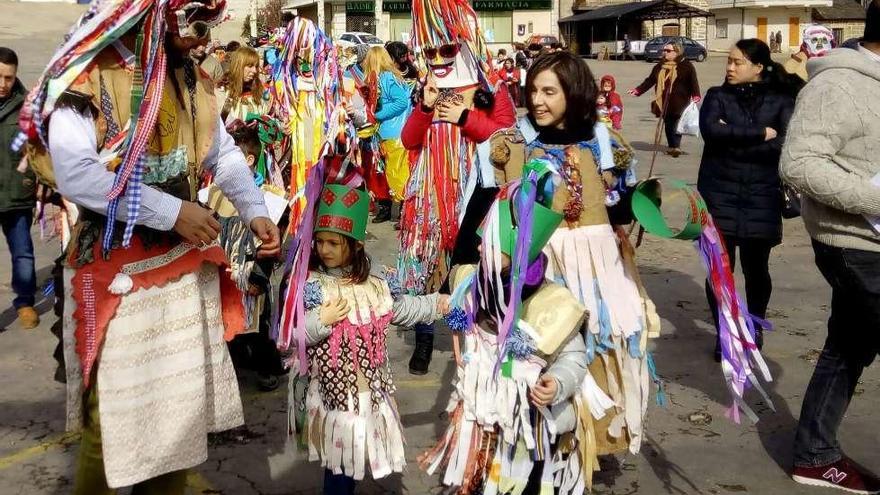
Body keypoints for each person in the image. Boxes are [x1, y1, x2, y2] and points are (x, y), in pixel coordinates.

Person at [18, 0, 281, 492]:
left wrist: (255, 209)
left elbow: (219, 151)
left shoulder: (187, 75)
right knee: (110, 423)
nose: (206, 34)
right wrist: (173, 212)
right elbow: (77, 174)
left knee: (177, 423)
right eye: (196, 19)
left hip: (180, 269)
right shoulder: (88, 74)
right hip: (115, 270)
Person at [488, 51, 659, 489]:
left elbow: (620, 209)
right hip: (544, 267)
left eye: (550, 91)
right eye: (533, 91)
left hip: (599, 267)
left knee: (601, 349)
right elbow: (499, 210)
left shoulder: (607, 142)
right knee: (550, 350)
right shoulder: (516, 143)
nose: (538, 100)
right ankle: (545, 451)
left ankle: (586, 449)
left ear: (574, 91)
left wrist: (642, 201)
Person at [420, 188, 589, 494]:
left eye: (491, 242)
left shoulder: (552, 303)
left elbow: (574, 358)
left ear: (518, 251)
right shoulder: (471, 284)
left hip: (527, 430)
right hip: (481, 419)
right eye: (483, 237)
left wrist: (558, 381)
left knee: (520, 484)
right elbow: (438, 303)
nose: (480, 246)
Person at [292, 183, 449, 495]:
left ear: (356, 244)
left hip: (368, 394)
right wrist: (320, 320)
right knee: (338, 467)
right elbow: (294, 336)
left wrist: (439, 303)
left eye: (333, 243)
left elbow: (404, 309)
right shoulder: (313, 285)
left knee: (353, 463)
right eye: (320, 242)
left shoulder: (376, 285)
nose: (324, 250)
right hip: (333, 399)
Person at [781, 3, 880, 492]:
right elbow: (799, 165)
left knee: (849, 346)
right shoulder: (836, 85)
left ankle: (814, 454)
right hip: (856, 244)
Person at [399, 0, 516, 375]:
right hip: (431, 194)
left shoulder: (491, 89)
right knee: (425, 265)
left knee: (471, 262)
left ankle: (478, 334)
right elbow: (408, 141)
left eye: (446, 48)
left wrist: (465, 118)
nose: (437, 58)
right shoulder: (427, 90)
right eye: (430, 50)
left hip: (476, 191)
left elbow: (507, 139)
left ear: (465, 44)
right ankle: (425, 339)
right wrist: (425, 108)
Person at [698, 39, 802, 362]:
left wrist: (735, 138)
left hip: (762, 197)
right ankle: (726, 332)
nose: (729, 67)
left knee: (757, 271)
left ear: (758, 67)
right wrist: (760, 134)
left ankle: (754, 325)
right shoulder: (717, 96)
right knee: (719, 272)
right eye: (728, 61)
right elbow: (711, 132)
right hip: (719, 197)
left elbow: (785, 144)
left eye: (737, 62)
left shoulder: (783, 100)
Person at [0, 46, 38, 329]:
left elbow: (37, 151)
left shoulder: (28, 107)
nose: (3, 84)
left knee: (23, 252)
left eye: (9, 78)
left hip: (17, 192)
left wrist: (37, 184)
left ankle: (25, 302)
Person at [362, 46, 412, 222]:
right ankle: (400, 211)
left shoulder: (387, 78)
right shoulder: (385, 77)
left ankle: (406, 213)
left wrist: (376, 115)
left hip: (395, 132)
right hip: (389, 132)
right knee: (389, 172)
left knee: (397, 172)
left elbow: (401, 102)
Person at [629, 40, 701, 157]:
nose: (665, 52)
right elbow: (651, 80)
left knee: (676, 124)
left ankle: (675, 147)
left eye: (668, 50)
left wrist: (696, 95)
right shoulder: (660, 65)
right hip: (664, 100)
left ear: (677, 52)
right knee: (668, 124)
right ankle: (672, 145)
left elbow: (693, 82)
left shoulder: (686, 66)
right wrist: (638, 90)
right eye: (664, 50)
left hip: (680, 101)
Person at [220, 46, 268, 123]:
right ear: (239, 66)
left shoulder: (260, 90)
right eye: (250, 66)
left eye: (256, 66)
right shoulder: (222, 92)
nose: (255, 70)